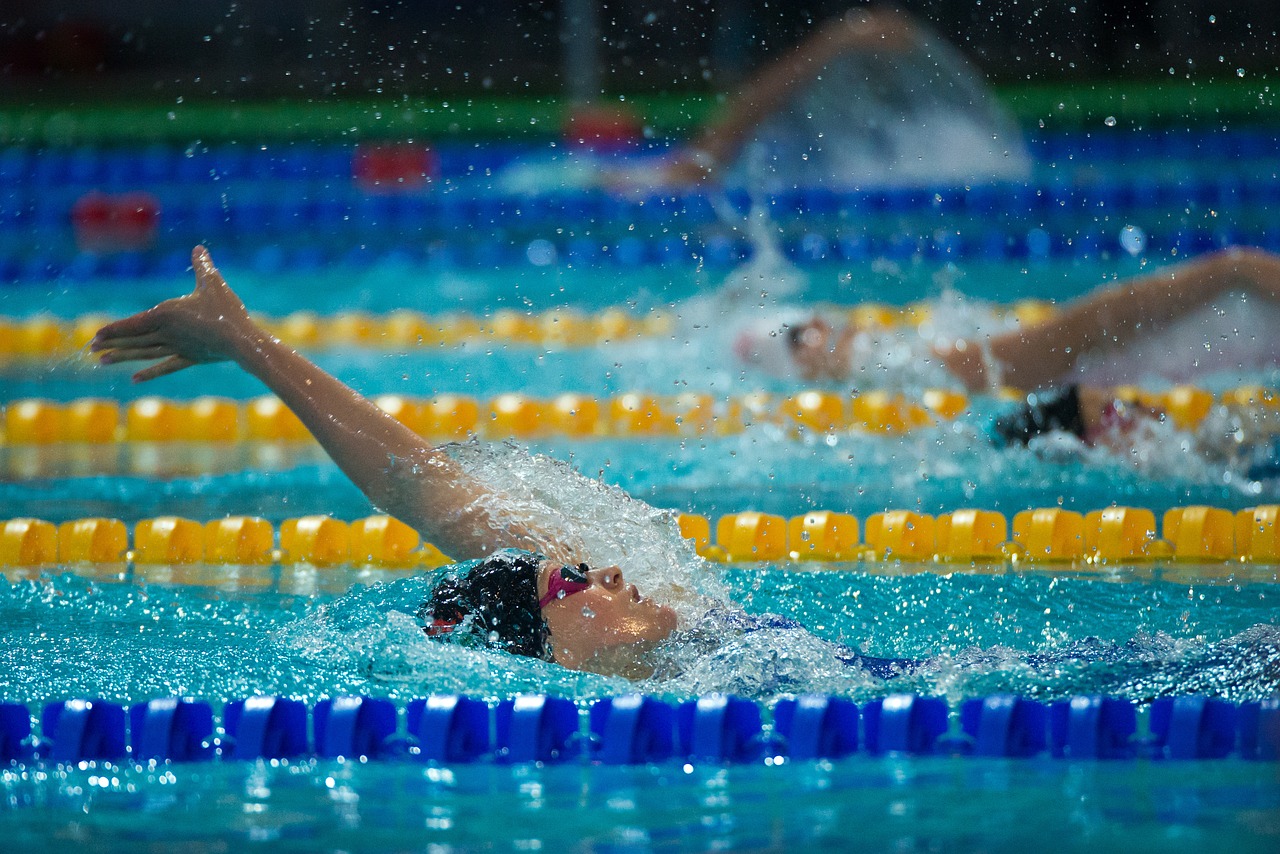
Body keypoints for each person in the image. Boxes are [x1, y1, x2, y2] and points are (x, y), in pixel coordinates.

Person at [737, 247, 1280, 446]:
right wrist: (1232, 271)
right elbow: (1075, 334)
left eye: (813, 320)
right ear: (800, 370)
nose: (824, 328)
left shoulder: (906, 376)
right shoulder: (905, 371)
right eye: (797, 336)